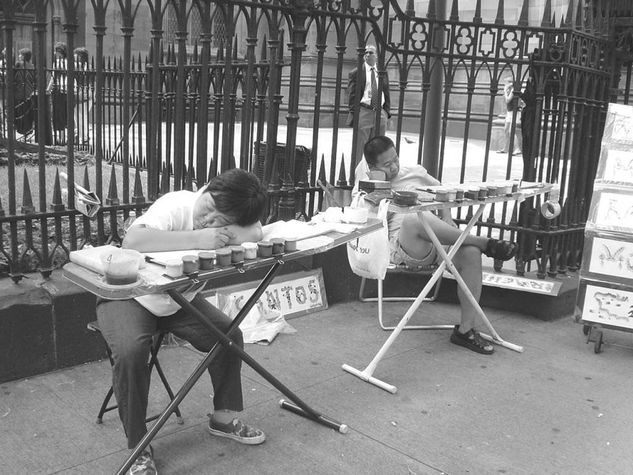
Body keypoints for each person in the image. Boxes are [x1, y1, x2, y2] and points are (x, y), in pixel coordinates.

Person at [96, 169, 268, 475]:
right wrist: (201, 237)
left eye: (222, 220)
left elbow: (257, 232)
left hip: (176, 301)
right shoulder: (177, 204)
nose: (210, 219)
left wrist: (237, 230)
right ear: (209, 187)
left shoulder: (232, 223)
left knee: (229, 337)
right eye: (211, 206)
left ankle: (223, 419)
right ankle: (138, 448)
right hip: (129, 296)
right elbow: (133, 240)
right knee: (132, 352)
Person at [352, 136, 518, 355]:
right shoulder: (366, 187)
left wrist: (447, 218)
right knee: (414, 218)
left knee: (470, 252)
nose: (394, 166)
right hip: (403, 247)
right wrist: (377, 187)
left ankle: (466, 330)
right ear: (372, 167)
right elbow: (363, 221)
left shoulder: (415, 172)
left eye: (395, 159)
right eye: (386, 164)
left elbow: (442, 189)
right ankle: (485, 242)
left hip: (437, 241)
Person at [346, 44, 391, 169]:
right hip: (364, 111)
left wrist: (386, 112)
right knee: (360, 147)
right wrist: (355, 114)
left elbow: (386, 92)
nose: (367, 54)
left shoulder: (382, 72)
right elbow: (352, 95)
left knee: (379, 147)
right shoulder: (356, 73)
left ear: (376, 55)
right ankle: (356, 174)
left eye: (370, 52)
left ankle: (376, 174)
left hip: (380, 112)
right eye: (365, 52)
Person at [48, 41, 68, 144]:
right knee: (64, 115)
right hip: (67, 91)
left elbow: (53, 78)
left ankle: (60, 139)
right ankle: (63, 138)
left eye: (56, 51)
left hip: (59, 90)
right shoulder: (70, 62)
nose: (55, 53)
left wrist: (48, 89)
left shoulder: (58, 63)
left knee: (58, 115)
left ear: (60, 52)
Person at [497, 77, 522, 155]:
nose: (506, 84)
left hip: (514, 112)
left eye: (507, 82)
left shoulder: (514, 90)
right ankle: (505, 148)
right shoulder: (509, 90)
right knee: (506, 130)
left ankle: (517, 148)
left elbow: (508, 100)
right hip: (509, 112)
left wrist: (505, 91)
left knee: (512, 131)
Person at [73, 46, 90, 145]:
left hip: (83, 91)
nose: (74, 56)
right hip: (84, 91)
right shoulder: (87, 66)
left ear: (80, 56)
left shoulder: (81, 66)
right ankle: (82, 135)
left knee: (80, 115)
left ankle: (83, 137)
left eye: (76, 55)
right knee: (80, 115)